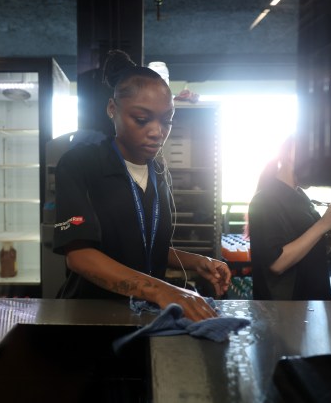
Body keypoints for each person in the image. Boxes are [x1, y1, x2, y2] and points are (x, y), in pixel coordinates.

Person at [53, 50, 231, 321]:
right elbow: (79, 255)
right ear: (113, 109)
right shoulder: (81, 164)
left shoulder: (159, 172)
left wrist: (198, 262)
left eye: (167, 120)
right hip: (90, 318)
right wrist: (162, 291)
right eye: (142, 119)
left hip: (145, 317)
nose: (157, 131)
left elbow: (144, 245)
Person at [246, 136, 331, 300]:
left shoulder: (301, 197)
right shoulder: (264, 201)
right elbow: (277, 263)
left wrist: (330, 238)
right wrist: (323, 224)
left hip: (312, 303)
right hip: (285, 310)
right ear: (292, 153)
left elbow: (309, 252)